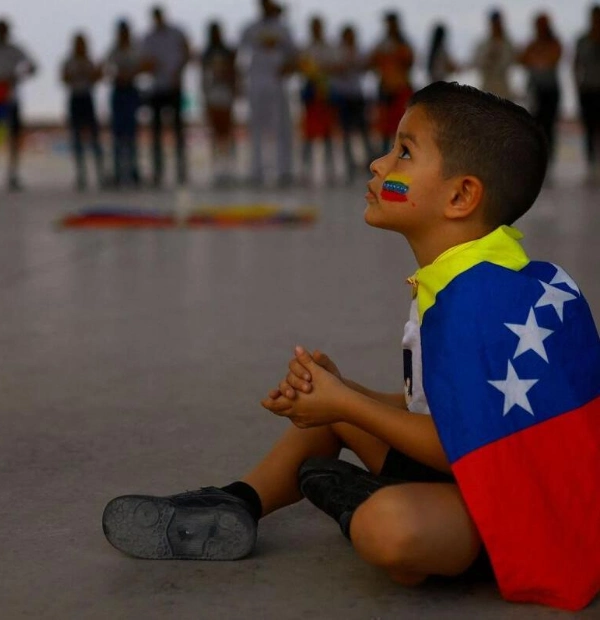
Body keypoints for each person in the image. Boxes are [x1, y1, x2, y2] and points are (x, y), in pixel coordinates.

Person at [102, 82, 600, 611]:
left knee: (391, 532)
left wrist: (346, 403)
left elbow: (458, 447)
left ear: (460, 196)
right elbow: (440, 411)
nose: (378, 165)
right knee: (333, 413)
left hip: (526, 505)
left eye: (404, 153)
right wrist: (338, 394)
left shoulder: (477, 304)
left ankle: (370, 505)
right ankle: (236, 502)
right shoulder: (478, 278)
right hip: (485, 471)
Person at [238, 0, 297, 186]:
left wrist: (288, 68)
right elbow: (241, 54)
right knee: (256, 126)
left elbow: (294, 54)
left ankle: (284, 170)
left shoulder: (283, 28)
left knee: (282, 127)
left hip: (277, 82)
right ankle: (257, 171)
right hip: (256, 81)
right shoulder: (250, 28)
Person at [0, 18, 37, 191]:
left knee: (13, 136)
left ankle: (12, 175)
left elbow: (33, 67)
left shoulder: (15, 50)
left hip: (10, 97)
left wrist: (18, 76)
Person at [141, 5, 190, 187]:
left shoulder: (177, 33)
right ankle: (158, 171)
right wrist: (151, 66)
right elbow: (144, 62)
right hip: (157, 89)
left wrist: (178, 72)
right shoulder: (148, 37)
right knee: (156, 133)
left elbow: (187, 52)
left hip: (174, 87)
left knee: (178, 131)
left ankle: (181, 170)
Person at [61, 33, 104, 191]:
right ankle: (81, 174)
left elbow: (97, 78)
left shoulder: (90, 61)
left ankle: (100, 173)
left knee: (94, 137)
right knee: (77, 138)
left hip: (87, 98)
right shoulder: (69, 61)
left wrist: (90, 73)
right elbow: (64, 78)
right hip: (75, 98)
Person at [330, 25, 373, 183]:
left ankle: (369, 163)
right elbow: (333, 69)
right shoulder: (337, 52)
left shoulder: (359, 51)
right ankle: (350, 167)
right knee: (346, 133)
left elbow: (366, 67)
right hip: (342, 96)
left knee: (363, 131)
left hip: (356, 95)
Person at [298, 16, 337, 185]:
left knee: (327, 134)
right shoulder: (307, 49)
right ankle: (305, 170)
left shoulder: (328, 48)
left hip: (325, 95)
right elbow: (303, 69)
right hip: (311, 95)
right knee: (308, 134)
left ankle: (330, 170)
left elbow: (333, 68)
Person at [519, 14, 562, 163]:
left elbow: (552, 60)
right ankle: (539, 155)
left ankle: (549, 157)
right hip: (535, 90)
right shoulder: (532, 44)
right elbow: (523, 60)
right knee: (535, 124)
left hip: (550, 90)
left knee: (549, 124)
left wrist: (536, 58)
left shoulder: (554, 42)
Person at [369, 12, 414, 154]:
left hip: (400, 90)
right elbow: (372, 62)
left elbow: (409, 63)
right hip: (386, 90)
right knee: (385, 129)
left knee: (402, 128)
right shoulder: (382, 44)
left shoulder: (403, 44)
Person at [104, 20, 142, 187]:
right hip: (119, 92)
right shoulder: (113, 50)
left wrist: (130, 74)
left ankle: (133, 170)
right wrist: (118, 76)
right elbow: (105, 68)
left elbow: (143, 66)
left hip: (131, 91)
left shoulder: (135, 49)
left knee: (132, 133)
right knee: (119, 134)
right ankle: (120, 171)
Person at [200, 21, 237, 186]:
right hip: (212, 95)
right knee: (215, 132)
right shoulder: (206, 54)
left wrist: (234, 87)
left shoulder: (228, 52)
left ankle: (228, 167)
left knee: (226, 132)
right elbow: (204, 77)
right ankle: (216, 168)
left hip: (225, 94)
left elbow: (234, 73)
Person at [574, 4, 600, 177]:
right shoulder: (583, 40)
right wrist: (578, 84)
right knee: (589, 127)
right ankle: (591, 163)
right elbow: (576, 64)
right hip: (588, 89)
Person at [473, 9, 516, 99]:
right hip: (487, 89)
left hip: (504, 91)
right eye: (495, 23)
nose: (497, 26)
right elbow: (477, 63)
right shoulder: (483, 44)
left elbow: (515, 60)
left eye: (498, 22)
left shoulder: (509, 44)